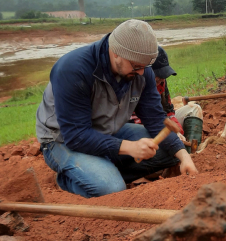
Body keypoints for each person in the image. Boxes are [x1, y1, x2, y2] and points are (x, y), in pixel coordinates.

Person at [36, 19, 198, 198]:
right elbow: (76, 136)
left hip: (107, 131)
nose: (142, 73)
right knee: (111, 189)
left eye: (145, 67)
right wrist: (128, 147)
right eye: (136, 66)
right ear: (115, 53)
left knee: (170, 152)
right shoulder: (73, 70)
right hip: (62, 140)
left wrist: (184, 156)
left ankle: (101, 169)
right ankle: (70, 179)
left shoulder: (141, 71)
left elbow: (154, 118)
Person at [129, 46, 203, 152]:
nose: (162, 80)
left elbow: (169, 112)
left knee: (194, 109)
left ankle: (191, 153)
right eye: (158, 77)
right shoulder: (133, 85)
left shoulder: (161, 83)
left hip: (161, 123)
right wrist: (169, 133)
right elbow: (138, 121)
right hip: (143, 130)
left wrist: (176, 131)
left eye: (163, 77)